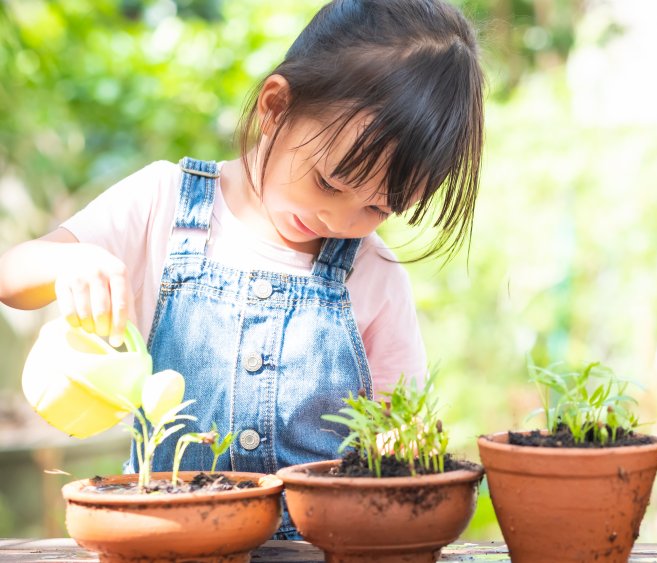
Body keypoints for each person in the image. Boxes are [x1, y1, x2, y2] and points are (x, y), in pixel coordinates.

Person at [0, 0, 483, 538]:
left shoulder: (375, 274)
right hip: (168, 539)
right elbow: (11, 276)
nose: (336, 216)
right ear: (275, 106)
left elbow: (399, 435)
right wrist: (71, 260)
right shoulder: (163, 203)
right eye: (327, 181)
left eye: (377, 208)